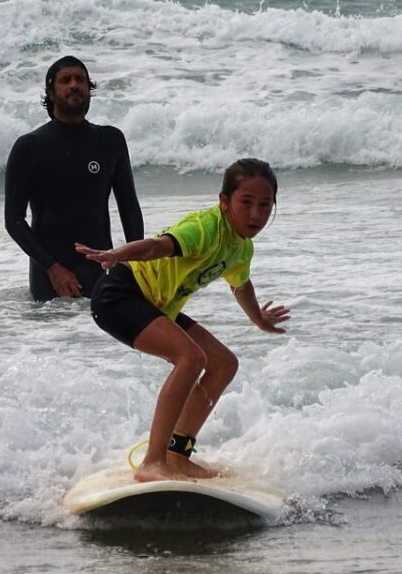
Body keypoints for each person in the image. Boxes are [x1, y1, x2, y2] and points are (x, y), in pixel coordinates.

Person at [75, 158, 290, 482]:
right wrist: (119, 253)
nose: (256, 215)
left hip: (155, 303)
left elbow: (240, 285)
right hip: (120, 295)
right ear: (224, 201)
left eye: (265, 205)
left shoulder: (241, 248)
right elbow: (157, 247)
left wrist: (258, 318)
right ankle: (153, 462)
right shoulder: (204, 229)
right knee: (191, 358)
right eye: (246, 203)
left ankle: (177, 455)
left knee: (224, 364)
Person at [4, 55, 144, 301]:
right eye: (65, 80)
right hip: (50, 282)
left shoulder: (110, 141)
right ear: (50, 91)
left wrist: (134, 264)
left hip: (100, 273)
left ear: (89, 89)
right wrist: (52, 268)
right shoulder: (30, 146)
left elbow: (129, 208)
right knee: (53, 327)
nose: (74, 85)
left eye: (80, 79)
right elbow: (13, 220)